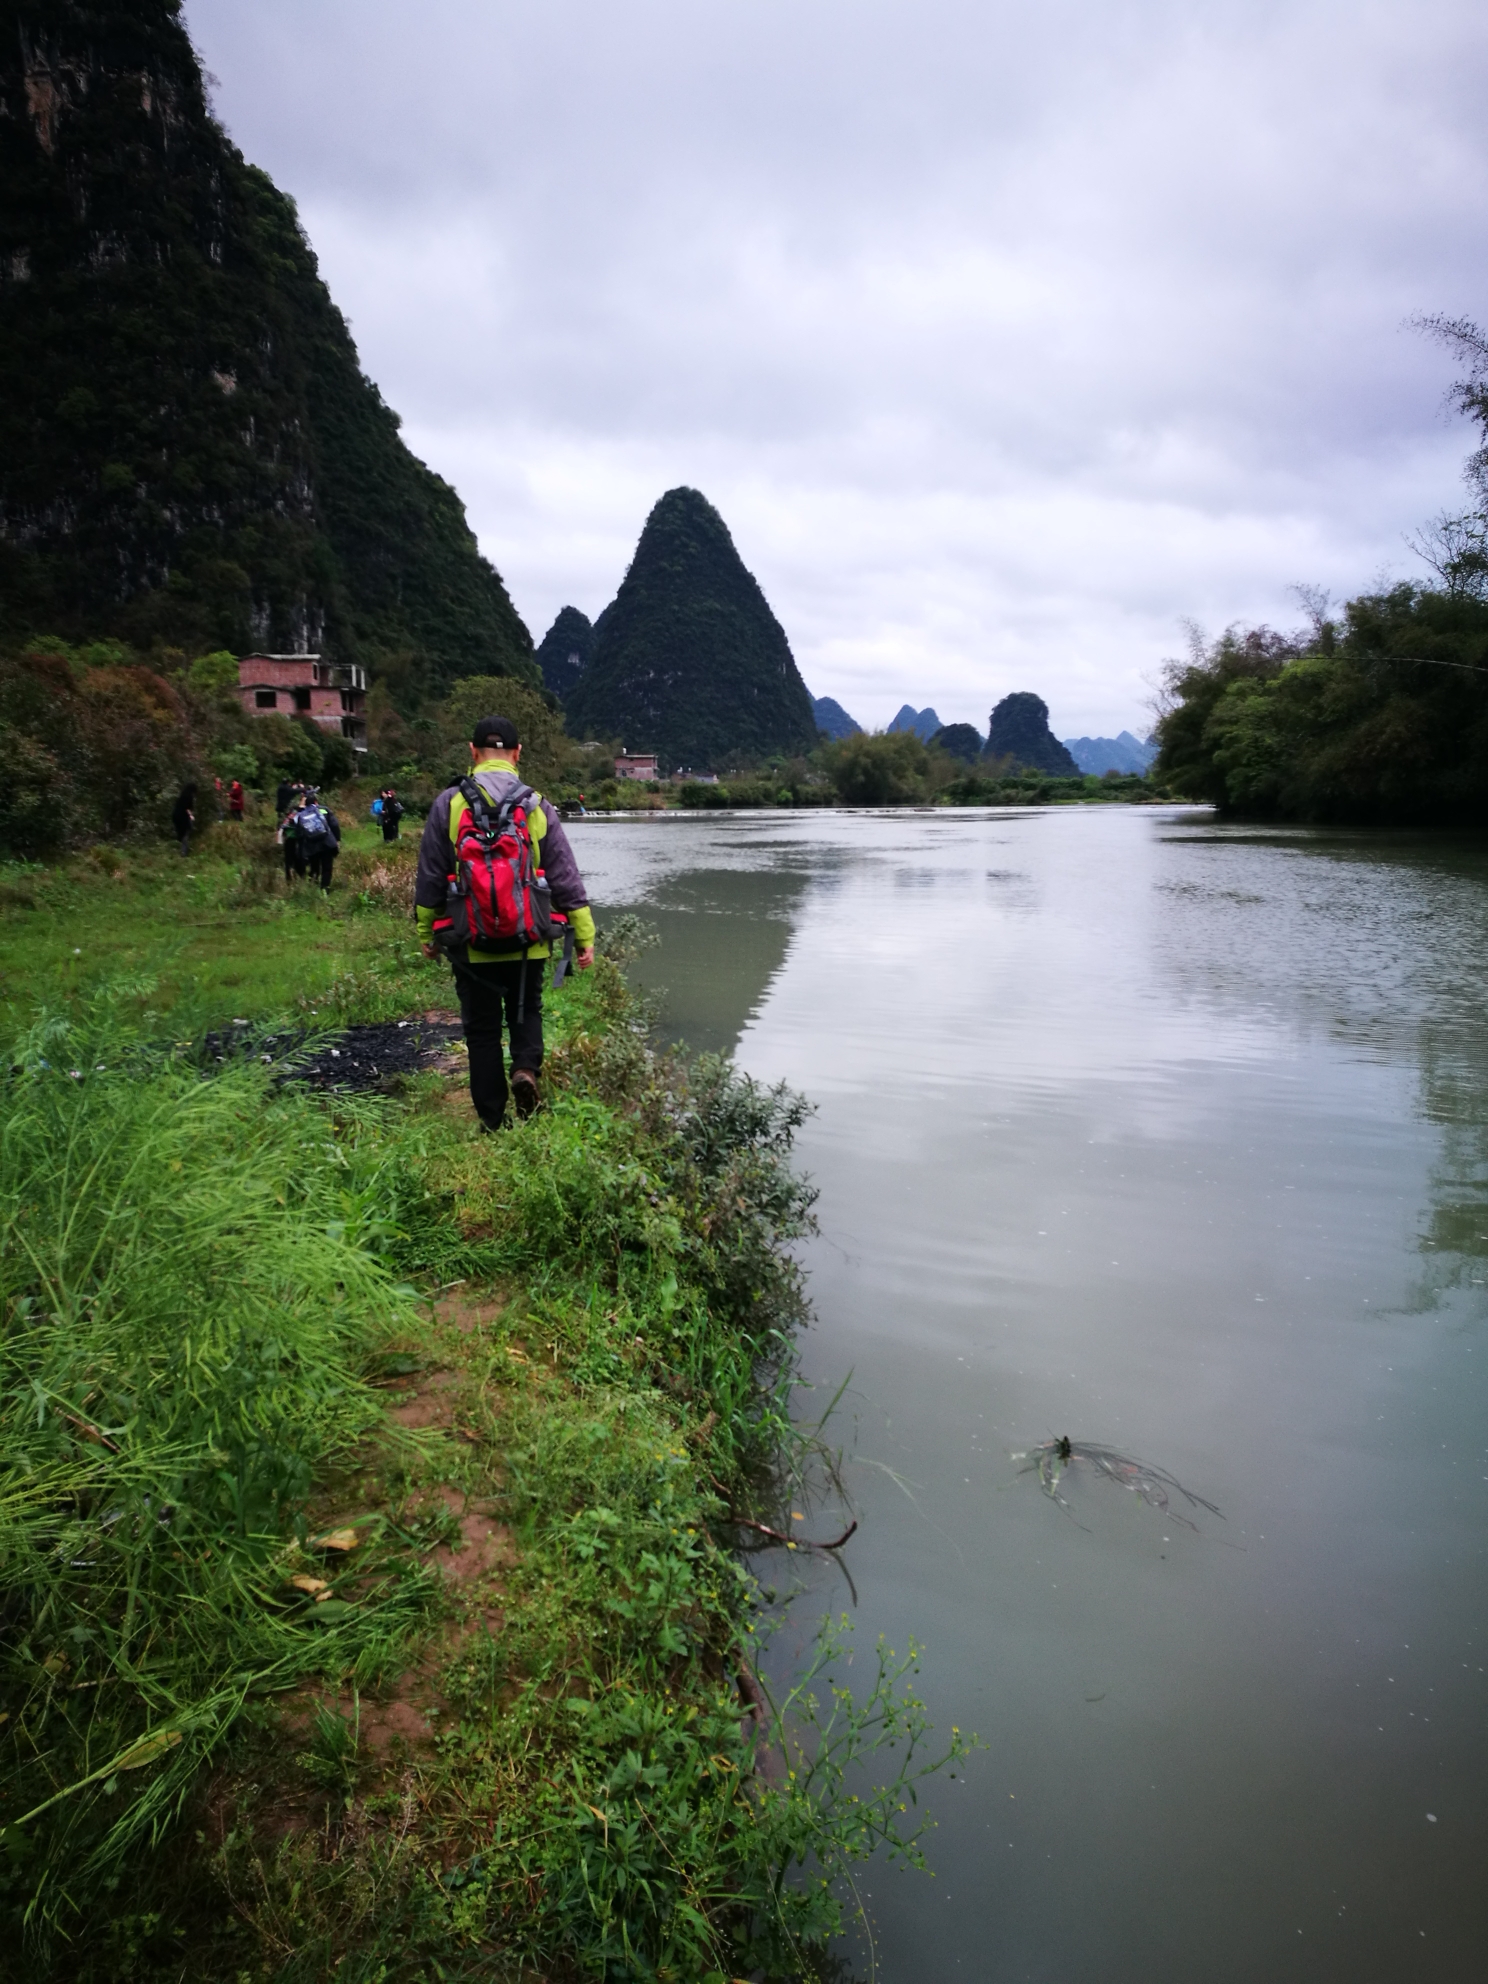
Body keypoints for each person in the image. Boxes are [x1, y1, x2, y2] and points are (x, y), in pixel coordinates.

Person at [415, 714, 595, 1129]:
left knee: (480, 1030)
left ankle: (493, 1121)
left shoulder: (449, 804)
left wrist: (428, 934)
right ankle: (525, 1070)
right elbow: (565, 877)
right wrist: (583, 936)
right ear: (517, 754)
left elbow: (429, 878)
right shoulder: (536, 805)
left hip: (469, 940)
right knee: (526, 1009)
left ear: (472, 752)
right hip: (527, 936)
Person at [171, 783, 196, 856]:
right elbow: (187, 808)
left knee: (183, 833)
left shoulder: (182, 795)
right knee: (187, 831)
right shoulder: (189, 796)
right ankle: (184, 851)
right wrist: (191, 815)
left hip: (176, 815)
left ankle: (183, 847)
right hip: (182, 816)